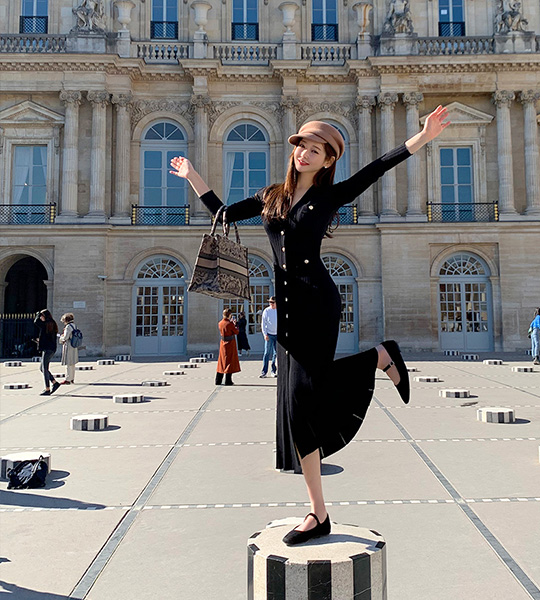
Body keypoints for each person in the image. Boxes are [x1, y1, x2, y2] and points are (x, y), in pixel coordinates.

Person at [170, 105, 450, 546]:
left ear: (328, 160)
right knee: (300, 406)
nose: (305, 153)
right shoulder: (271, 196)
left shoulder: (330, 196)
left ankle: (378, 361)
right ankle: (319, 511)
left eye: (316, 150)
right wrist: (192, 175)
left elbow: (378, 167)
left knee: (302, 399)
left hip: (318, 302)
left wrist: (423, 138)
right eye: (302, 146)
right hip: (288, 312)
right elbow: (222, 212)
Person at [33, 309, 60, 396]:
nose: (40, 318)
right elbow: (47, 337)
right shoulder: (51, 324)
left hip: (48, 349)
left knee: (44, 368)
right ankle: (54, 382)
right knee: (42, 368)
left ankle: (47, 388)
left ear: (45, 316)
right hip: (50, 348)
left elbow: (36, 322)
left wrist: (38, 314)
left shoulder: (46, 324)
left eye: (41, 316)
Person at [216, 308, 241, 386]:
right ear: (229, 315)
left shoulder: (220, 323)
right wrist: (235, 325)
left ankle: (218, 380)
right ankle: (228, 380)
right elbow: (236, 332)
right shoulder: (229, 324)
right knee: (229, 361)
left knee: (221, 361)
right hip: (230, 343)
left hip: (223, 342)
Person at [59, 313, 79, 384]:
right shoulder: (74, 326)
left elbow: (65, 337)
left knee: (68, 363)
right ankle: (72, 378)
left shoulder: (68, 327)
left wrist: (61, 337)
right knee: (72, 363)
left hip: (69, 346)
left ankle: (67, 379)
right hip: (74, 345)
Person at [260, 297, 278, 378]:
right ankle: (264, 371)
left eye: (273, 302)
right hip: (269, 334)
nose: (271, 304)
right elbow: (263, 323)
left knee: (276, 353)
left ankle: (273, 370)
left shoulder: (277, 310)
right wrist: (265, 334)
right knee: (267, 352)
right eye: (270, 302)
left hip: (277, 334)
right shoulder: (266, 311)